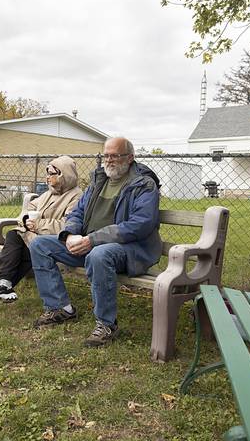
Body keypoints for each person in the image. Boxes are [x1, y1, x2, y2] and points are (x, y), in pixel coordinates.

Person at [28, 137, 162, 347]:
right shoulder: (98, 182)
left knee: (98, 255)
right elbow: (77, 212)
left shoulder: (143, 184)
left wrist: (92, 240)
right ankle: (60, 308)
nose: (109, 160)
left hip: (129, 250)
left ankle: (106, 324)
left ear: (130, 157)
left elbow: (140, 224)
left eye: (115, 155)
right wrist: (70, 234)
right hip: (88, 245)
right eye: (106, 155)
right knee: (40, 245)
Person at [0, 155, 83, 316]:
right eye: (47, 173)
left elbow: (68, 226)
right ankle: (1, 285)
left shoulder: (76, 196)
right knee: (15, 236)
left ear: (64, 175)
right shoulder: (48, 194)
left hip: (55, 243)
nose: (47, 177)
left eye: (52, 173)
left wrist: (38, 225)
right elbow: (28, 210)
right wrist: (26, 221)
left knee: (21, 247)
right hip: (34, 239)